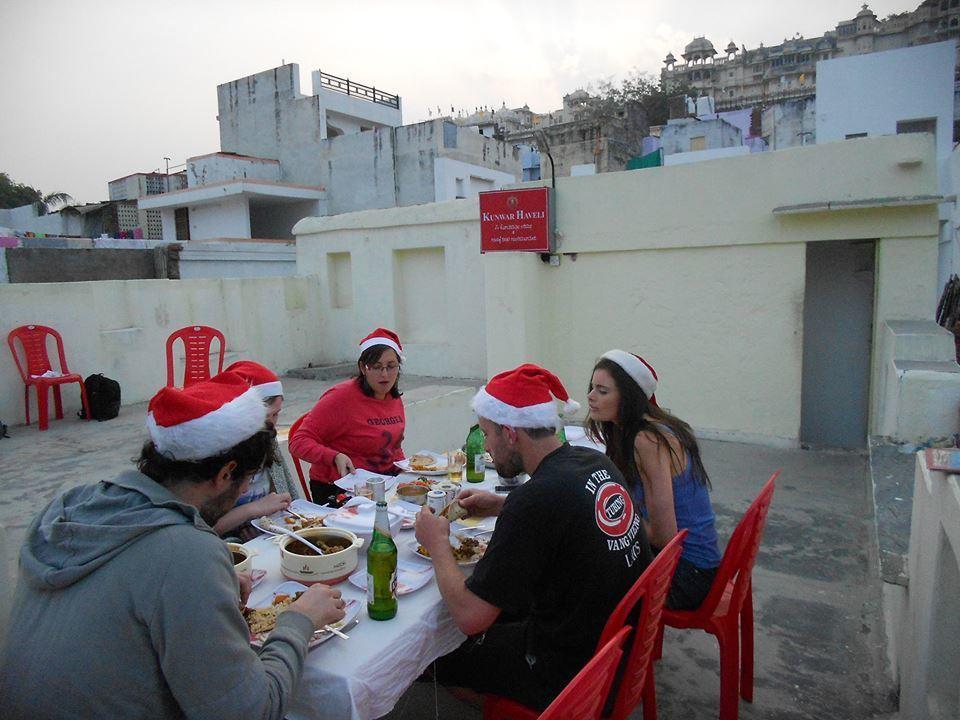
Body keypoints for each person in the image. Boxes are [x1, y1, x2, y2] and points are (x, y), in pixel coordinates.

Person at [0, 372, 346, 719]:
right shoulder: (185, 554)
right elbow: (251, 711)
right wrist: (299, 621)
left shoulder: (68, 507)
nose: (244, 491)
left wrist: (210, 579)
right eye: (246, 480)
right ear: (225, 474)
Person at [415, 363, 652, 711]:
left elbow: (469, 617)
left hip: (569, 668)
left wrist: (437, 544)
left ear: (510, 433)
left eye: (487, 435)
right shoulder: (592, 461)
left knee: (433, 653)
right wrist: (502, 504)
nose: (487, 449)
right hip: (614, 642)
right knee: (503, 611)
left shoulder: (535, 500)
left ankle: (505, 705)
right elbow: (563, 509)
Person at [586, 349, 721, 610]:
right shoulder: (637, 429)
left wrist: (607, 517)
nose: (591, 397)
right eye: (592, 388)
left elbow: (663, 535)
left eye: (603, 391)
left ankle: (607, 649)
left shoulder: (646, 439)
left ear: (628, 398)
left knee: (579, 571)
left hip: (687, 574)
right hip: (684, 562)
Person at [288, 328, 406, 504]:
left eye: (391, 366)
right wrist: (334, 456)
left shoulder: (392, 396)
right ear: (362, 368)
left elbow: (393, 446)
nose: (385, 374)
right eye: (376, 367)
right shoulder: (340, 398)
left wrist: (405, 470)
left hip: (384, 483)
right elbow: (298, 442)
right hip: (339, 488)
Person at [213, 360, 299, 540]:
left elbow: (282, 493)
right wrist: (251, 511)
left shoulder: (268, 439)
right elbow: (203, 529)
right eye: (268, 416)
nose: (272, 423)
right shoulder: (217, 455)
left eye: (276, 414)